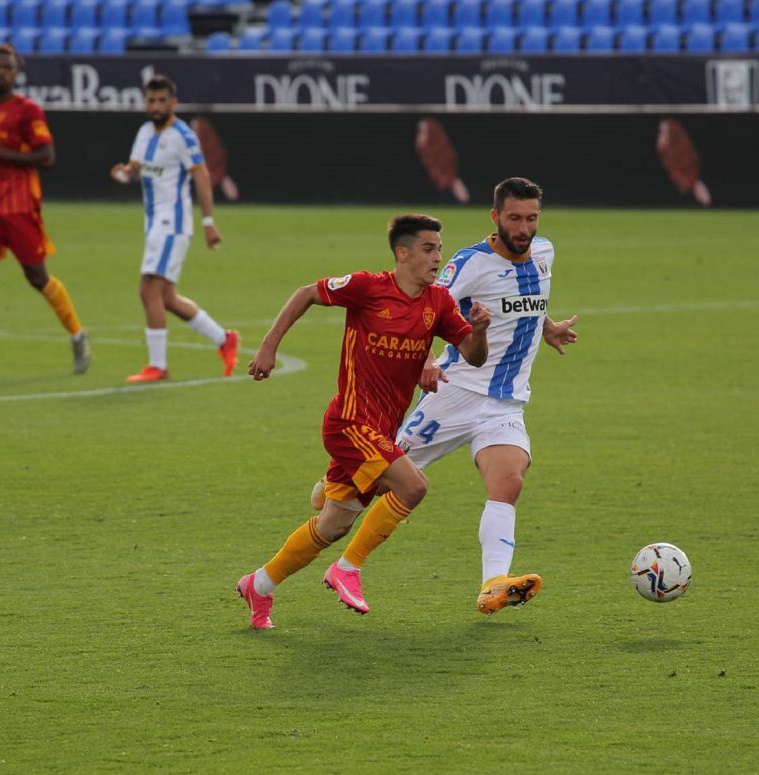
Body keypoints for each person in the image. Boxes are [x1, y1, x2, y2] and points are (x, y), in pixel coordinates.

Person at [337, 177, 579, 616]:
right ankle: (333, 491)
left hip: (504, 403)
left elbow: (529, 301)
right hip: (454, 392)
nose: (523, 228)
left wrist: (549, 328)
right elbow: (424, 306)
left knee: (508, 482)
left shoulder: (544, 252)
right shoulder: (469, 263)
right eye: (514, 218)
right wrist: (427, 358)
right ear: (495, 217)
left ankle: (493, 584)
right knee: (368, 484)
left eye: (531, 218)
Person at [236, 214, 491, 629]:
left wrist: (479, 331)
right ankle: (348, 569)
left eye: (440, 249)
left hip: (380, 431)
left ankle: (259, 585)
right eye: (429, 249)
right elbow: (306, 293)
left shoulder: (439, 302)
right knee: (413, 486)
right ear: (402, 253)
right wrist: (268, 347)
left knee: (334, 524)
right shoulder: (368, 287)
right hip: (349, 422)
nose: (437, 257)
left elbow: (474, 355)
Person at [0, 42, 90, 378]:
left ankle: (77, 334)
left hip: (19, 205)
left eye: (7, 67)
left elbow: (47, 157)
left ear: (16, 73)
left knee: (37, 276)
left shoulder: (28, 110)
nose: (1, 72)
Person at [110, 74, 239, 383]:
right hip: (154, 223)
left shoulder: (183, 135)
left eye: (161, 100)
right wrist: (123, 175)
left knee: (148, 289)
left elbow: (202, 176)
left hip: (173, 223)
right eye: (151, 100)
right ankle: (224, 339)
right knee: (166, 297)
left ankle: (158, 365)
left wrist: (209, 222)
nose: (156, 106)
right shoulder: (143, 133)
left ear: (173, 103)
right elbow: (136, 171)